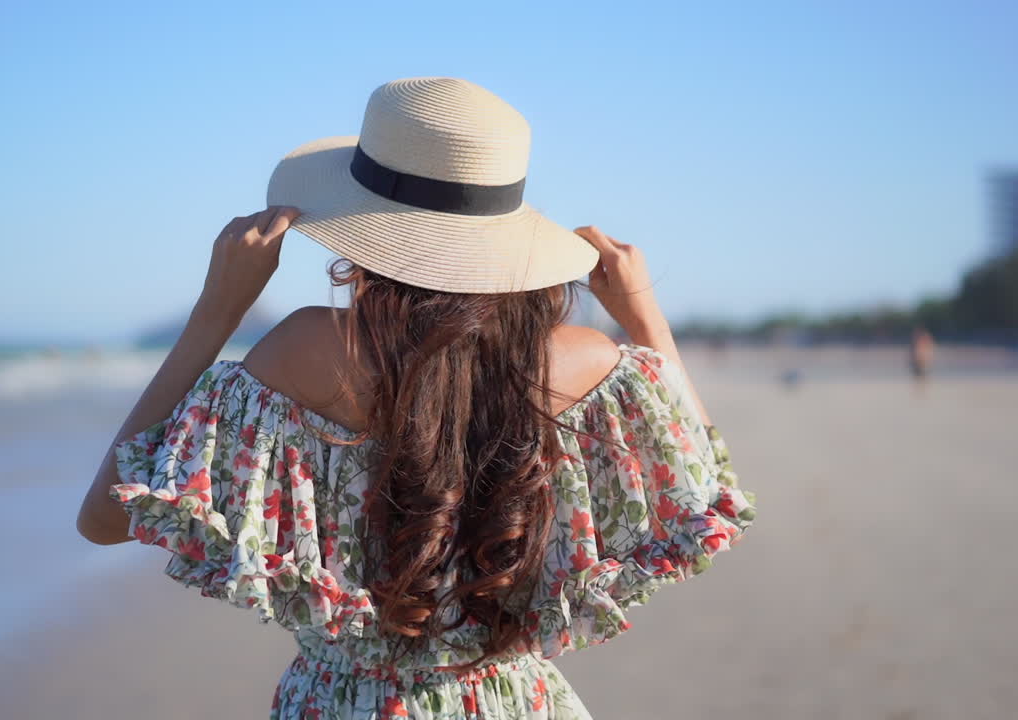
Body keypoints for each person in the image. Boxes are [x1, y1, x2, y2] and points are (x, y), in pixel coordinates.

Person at [76, 77, 756, 720]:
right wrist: (644, 318)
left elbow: (105, 517)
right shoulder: (588, 366)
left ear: (359, 229)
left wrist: (216, 311)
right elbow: (711, 496)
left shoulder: (305, 352)